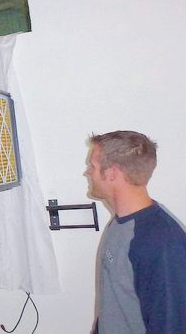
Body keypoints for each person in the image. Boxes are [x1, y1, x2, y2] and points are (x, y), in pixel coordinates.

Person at [86, 131, 186, 333]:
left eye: (92, 166)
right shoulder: (119, 224)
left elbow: (172, 326)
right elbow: (114, 303)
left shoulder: (162, 242)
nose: (87, 172)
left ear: (112, 173)